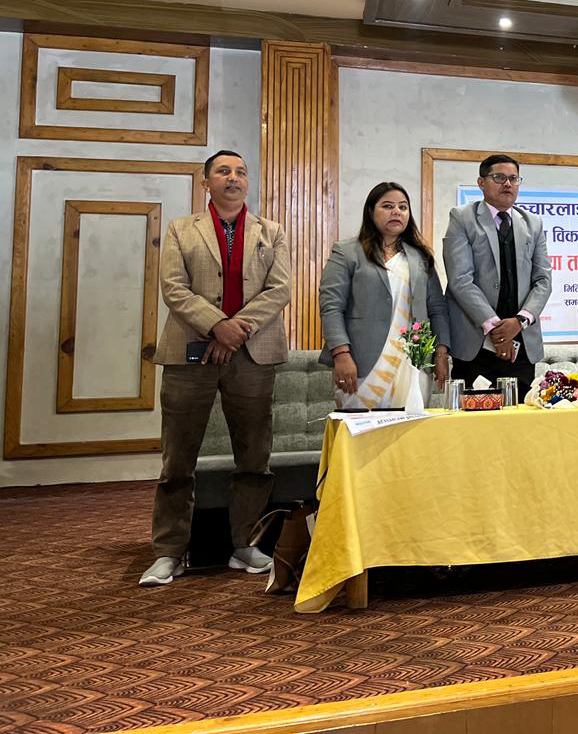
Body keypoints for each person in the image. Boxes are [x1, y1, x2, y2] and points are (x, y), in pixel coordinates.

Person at [140, 150, 291, 587]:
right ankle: (169, 551)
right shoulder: (180, 229)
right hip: (191, 352)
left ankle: (246, 544)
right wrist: (216, 326)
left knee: (254, 457)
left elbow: (280, 289)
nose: (233, 178)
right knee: (178, 460)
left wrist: (235, 330)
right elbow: (174, 288)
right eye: (223, 171)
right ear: (206, 182)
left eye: (241, 172)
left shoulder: (271, 232)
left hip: (252, 353)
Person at [319, 182, 451, 408]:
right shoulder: (347, 252)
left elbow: (437, 309)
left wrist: (441, 355)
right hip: (361, 362)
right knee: (361, 428)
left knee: (410, 426)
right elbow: (331, 307)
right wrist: (341, 353)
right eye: (388, 206)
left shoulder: (420, 258)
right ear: (371, 211)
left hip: (412, 362)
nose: (396, 212)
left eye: (403, 207)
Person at [443, 154, 552, 396]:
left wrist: (519, 322)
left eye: (514, 178)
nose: (508, 184)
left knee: (521, 417)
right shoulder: (462, 218)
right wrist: (497, 330)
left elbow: (543, 281)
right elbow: (460, 279)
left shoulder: (533, 223)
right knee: (474, 417)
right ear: (481, 183)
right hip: (475, 346)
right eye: (499, 177)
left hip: (521, 345)